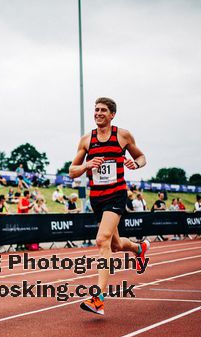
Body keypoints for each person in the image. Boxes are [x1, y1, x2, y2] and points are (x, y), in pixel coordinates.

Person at [69, 97, 150, 316]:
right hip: (97, 198)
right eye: (96, 110)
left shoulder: (122, 136)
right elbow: (72, 171)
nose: (98, 113)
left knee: (101, 240)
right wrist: (87, 164)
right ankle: (138, 248)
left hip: (116, 195)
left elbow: (142, 157)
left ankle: (98, 298)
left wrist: (136, 164)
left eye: (103, 110)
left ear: (112, 114)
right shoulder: (86, 140)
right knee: (114, 245)